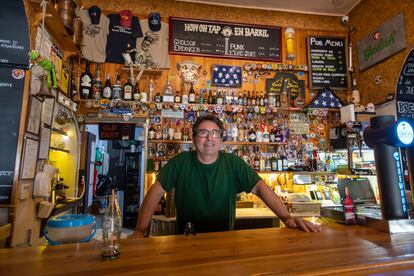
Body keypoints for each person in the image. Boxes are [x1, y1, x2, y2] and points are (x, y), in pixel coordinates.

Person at [132, 115, 322, 238]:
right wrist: (140, 231)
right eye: (204, 133)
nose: (209, 138)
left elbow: (261, 188)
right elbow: (154, 194)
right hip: (187, 239)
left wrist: (286, 218)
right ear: (194, 137)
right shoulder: (180, 162)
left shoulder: (233, 163)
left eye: (215, 133)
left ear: (221, 139)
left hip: (225, 239)